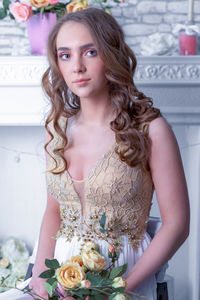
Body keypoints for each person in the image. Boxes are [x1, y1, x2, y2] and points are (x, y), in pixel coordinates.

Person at [0, 7, 190, 300]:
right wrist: (39, 278)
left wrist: (123, 286)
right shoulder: (56, 130)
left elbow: (177, 224)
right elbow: (54, 210)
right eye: (65, 55)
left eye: (89, 52)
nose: (76, 66)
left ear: (110, 55)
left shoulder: (151, 130)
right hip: (60, 275)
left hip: (125, 275)